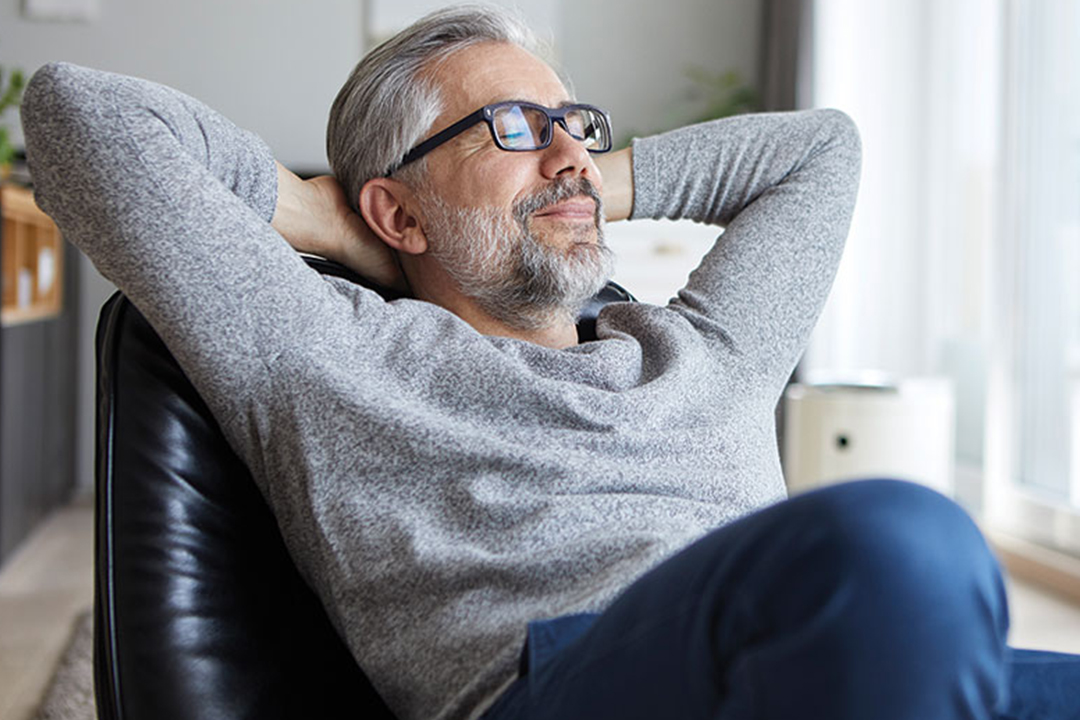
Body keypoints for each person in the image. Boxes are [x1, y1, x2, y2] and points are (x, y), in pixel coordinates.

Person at [19, 5, 1080, 720]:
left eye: (579, 126)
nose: (570, 149)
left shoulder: (706, 348)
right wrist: (338, 222)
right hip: (568, 683)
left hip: (810, 660)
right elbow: (77, 115)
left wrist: (568, 178)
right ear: (396, 206)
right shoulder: (328, 351)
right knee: (900, 543)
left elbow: (821, 151)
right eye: (516, 127)